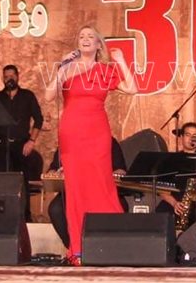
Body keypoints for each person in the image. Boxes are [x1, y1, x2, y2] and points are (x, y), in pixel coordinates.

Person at [43, 26, 139, 262]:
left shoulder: (105, 70)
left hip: (97, 132)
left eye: (91, 37)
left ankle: (112, 242)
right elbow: (48, 96)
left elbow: (132, 89)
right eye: (81, 36)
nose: (85, 39)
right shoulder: (68, 68)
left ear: (98, 44)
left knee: (101, 185)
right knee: (76, 189)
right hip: (72, 132)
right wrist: (62, 67)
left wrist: (121, 61)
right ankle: (78, 248)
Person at [0, 64, 45, 186]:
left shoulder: (28, 96)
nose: (9, 79)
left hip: (22, 145)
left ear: (18, 77)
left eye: (12, 76)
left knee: (22, 185)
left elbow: (39, 119)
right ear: (3, 79)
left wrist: (31, 141)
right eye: (6, 77)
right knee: (3, 184)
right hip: (2, 147)